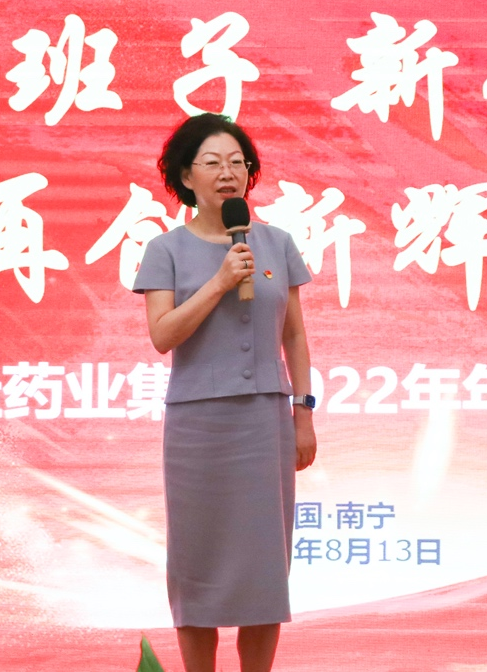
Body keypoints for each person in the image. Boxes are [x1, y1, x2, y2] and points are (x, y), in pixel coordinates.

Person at [132, 114, 317, 672]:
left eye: (238, 162)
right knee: (199, 566)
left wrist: (303, 412)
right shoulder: (165, 249)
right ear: (186, 177)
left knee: (264, 566)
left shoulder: (276, 243)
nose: (228, 173)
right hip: (197, 428)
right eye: (212, 163)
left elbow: (293, 334)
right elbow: (163, 335)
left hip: (265, 422)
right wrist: (218, 282)